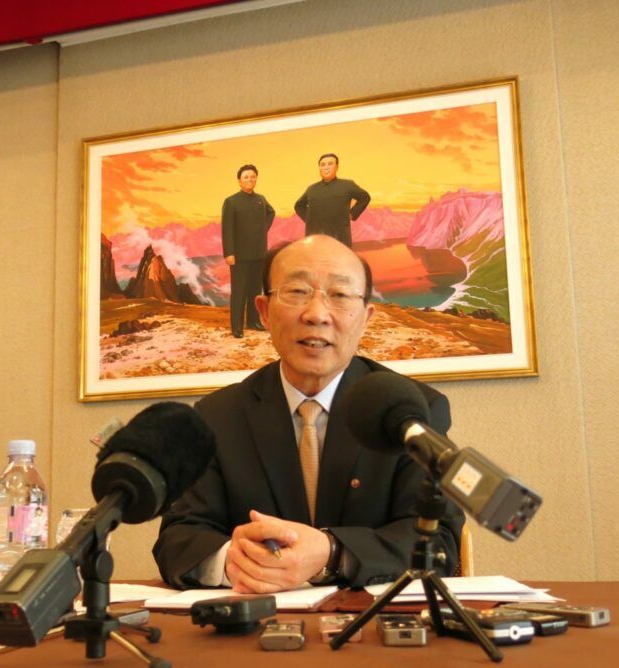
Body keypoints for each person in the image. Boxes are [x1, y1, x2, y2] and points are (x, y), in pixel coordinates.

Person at [153, 234, 464, 592]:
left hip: (373, 620)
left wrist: (332, 552)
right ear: (264, 312)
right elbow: (178, 538)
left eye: (340, 294)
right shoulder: (217, 417)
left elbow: (439, 542)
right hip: (257, 617)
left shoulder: (411, 411)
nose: (316, 314)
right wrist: (232, 562)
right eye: (297, 291)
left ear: (366, 318)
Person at [220, 164, 275, 338]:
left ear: (256, 179)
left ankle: (253, 321)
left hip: (259, 253)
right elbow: (226, 229)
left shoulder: (261, 199)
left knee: (255, 290)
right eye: (246, 177)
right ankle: (237, 326)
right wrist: (229, 253)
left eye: (253, 177)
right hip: (239, 255)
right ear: (239, 181)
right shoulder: (231, 202)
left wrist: (262, 229)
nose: (250, 180)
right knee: (239, 291)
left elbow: (271, 213)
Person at [293, 153, 370, 248]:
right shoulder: (312, 189)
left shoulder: (347, 185)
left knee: (340, 257)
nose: (326, 167)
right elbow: (299, 206)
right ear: (319, 168)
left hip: (340, 237)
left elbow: (365, 198)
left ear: (336, 167)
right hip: (315, 238)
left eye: (330, 164)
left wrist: (352, 214)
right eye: (323, 165)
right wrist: (309, 219)